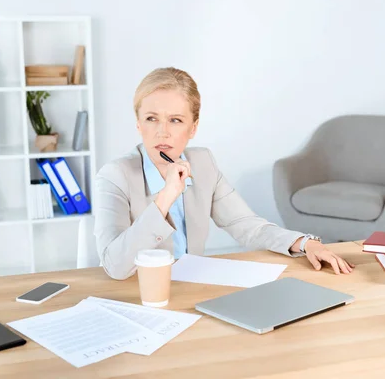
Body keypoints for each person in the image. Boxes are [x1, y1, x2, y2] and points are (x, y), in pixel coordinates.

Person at [94, 67, 355, 280]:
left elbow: (246, 226)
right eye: (152, 118)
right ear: (138, 124)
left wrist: (306, 242)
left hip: (190, 287)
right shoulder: (115, 175)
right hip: (137, 295)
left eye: (176, 120)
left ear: (193, 128)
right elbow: (115, 267)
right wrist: (166, 197)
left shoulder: (202, 162)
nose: (162, 132)